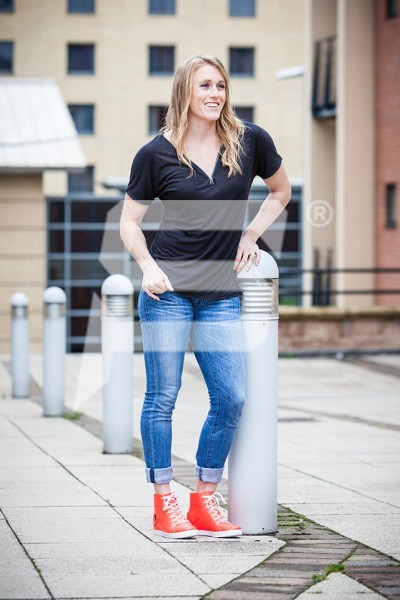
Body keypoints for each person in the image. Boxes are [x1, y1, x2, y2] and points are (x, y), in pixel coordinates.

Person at [120, 55, 291, 539]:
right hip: (168, 292)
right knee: (162, 397)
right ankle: (163, 503)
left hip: (220, 293)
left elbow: (280, 191)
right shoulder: (155, 154)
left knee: (231, 397)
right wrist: (148, 267)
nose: (215, 94)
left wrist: (251, 234)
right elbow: (129, 222)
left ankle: (202, 500)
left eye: (220, 85)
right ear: (185, 93)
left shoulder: (250, 141)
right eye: (205, 86)